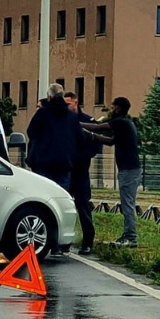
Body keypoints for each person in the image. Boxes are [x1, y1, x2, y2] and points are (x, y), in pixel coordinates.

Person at [82, 96, 142, 248]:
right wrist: (92, 137)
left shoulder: (120, 122)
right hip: (129, 169)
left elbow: (99, 127)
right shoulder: (126, 123)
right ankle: (128, 234)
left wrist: (76, 125)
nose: (111, 109)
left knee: (127, 204)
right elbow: (110, 141)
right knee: (127, 203)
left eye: (113, 106)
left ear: (119, 108)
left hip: (129, 170)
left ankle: (131, 237)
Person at [64, 92, 102, 255]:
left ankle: (88, 241)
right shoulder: (63, 121)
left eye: (68, 104)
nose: (66, 107)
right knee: (64, 205)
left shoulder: (87, 121)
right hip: (65, 169)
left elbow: (95, 146)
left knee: (83, 205)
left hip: (80, 169)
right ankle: (64, 240)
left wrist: (79, 156)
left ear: (75, 103)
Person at [25, 84, 81, 191]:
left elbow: (31, 132)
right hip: (64, 162)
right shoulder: (72, 117)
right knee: (61, 195)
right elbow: (79, 138)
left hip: (43, 162)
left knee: (43, 194)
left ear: (49, 97)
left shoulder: (42, 113)